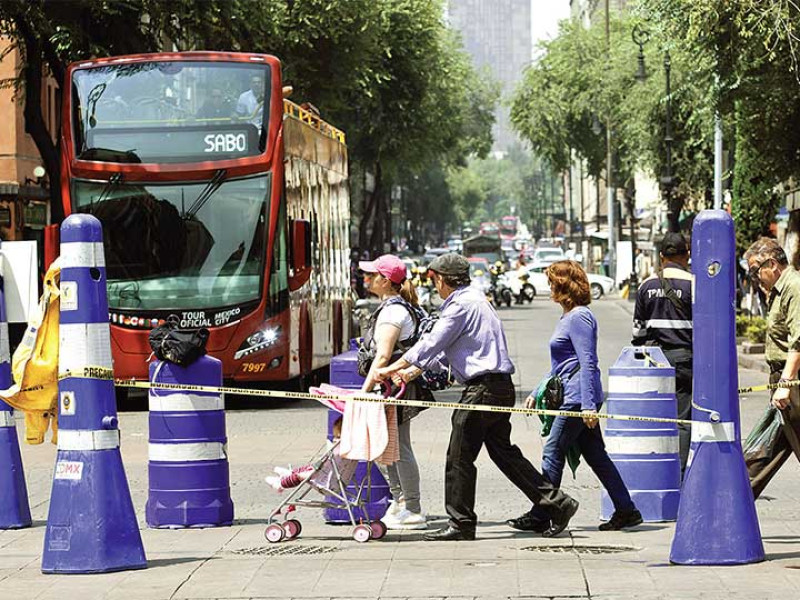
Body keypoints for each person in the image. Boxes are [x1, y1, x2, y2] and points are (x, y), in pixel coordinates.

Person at [376, 253, 579, 541]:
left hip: (483, 390)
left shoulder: (460, 305)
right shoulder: (474, 299)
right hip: (496, 387)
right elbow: (449, 351)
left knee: (459, 456)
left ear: (444, 280)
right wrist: (409, 374)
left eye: (434, 280)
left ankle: (461, 523)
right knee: (504, 454)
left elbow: (432, 343)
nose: (434, 286)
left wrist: (391, 367)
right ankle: (558, 504)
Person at [508, 261, 642, 533]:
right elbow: (561, 365)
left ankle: (546, 511)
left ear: (563, 284)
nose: (549, 287)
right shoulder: (568, 316)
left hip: (578, 397)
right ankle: (626, 510)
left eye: (552, 282)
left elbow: (587, 361)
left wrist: (588, 406)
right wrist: (536, 391)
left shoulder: (580, 317)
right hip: (574, 394)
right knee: (596, 456)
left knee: (553, 450)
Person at [359, 254, 430, 530]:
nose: (366, 278)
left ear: (385, 281)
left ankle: (413, 507)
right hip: (394, 385)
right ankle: (400, 502)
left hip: (395, 387)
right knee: (389, 447)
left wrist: (364, 392)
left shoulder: (392, 312)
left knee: (398, 446)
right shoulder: (393, 306)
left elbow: (382, 356)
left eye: (371, 274)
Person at [630, 232, 693, 473]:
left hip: (654, 361)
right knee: (683, 419)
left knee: (657, 416)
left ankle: (656, 468)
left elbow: (637, 332)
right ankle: (680, 473)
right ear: (686, 255)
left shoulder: (646, 285)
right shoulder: (694, 285)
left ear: (661, 257)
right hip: (685, 360)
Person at [743, 237, 800, 497]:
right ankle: (736, 502)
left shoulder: (794, 287)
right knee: (766, 449)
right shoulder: (777, 291)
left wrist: (785, 384)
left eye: (756, 270)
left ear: (772, 264)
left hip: (793, 383)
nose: (755, 277)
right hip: (781, 381)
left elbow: (798, 341)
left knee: (772, 445)